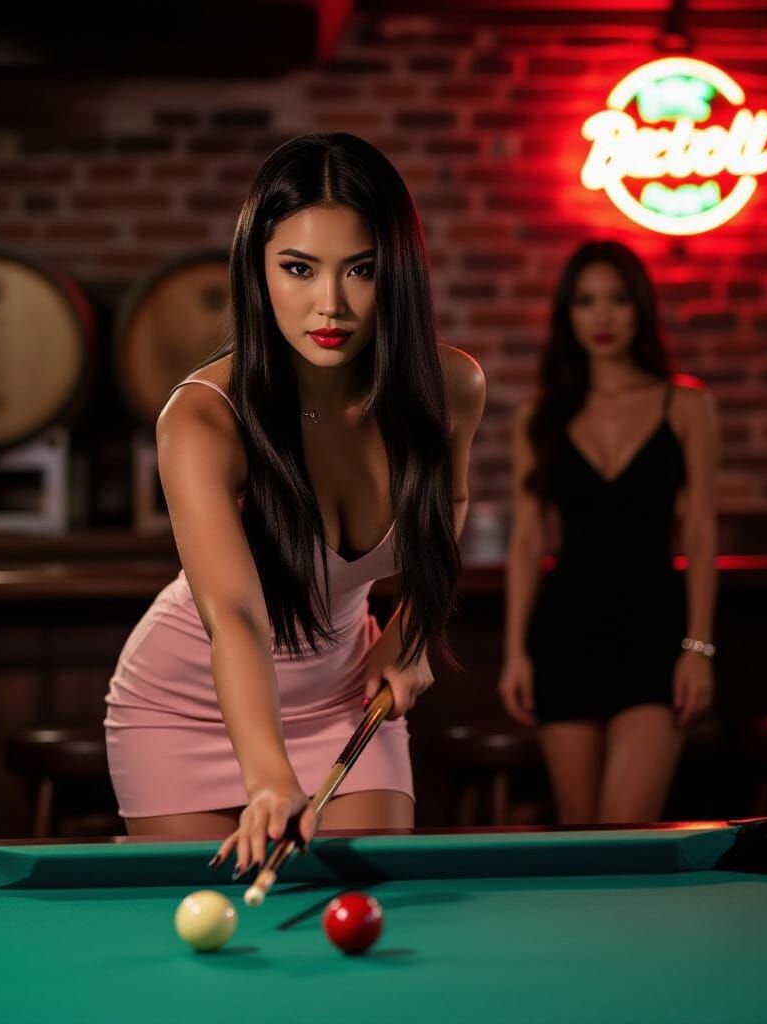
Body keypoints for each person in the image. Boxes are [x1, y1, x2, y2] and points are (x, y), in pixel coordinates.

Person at [104, 133, 485, 874]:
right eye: (299, 269)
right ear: (258, 270)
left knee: (373, 906)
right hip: (186, 708)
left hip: (347, 696)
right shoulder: (203, 419)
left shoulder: (448, 389)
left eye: (362, 271)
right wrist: (268, 775)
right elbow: (236, 616)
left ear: (398, 275)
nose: (330, 304)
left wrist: (409, 635)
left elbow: (453, 505)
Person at [497, 240, 718, 825]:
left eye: (617, 300)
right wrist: (515, 651)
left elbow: (699, 534)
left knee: (628, 832)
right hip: (564, 631)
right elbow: (526, 542)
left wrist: (698, 649)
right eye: (586, 302)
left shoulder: (686, 405)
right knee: (580, 836)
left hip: (653, 632)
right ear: (567, 315)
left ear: (640, 308)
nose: (602, 317)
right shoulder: (539, 418)